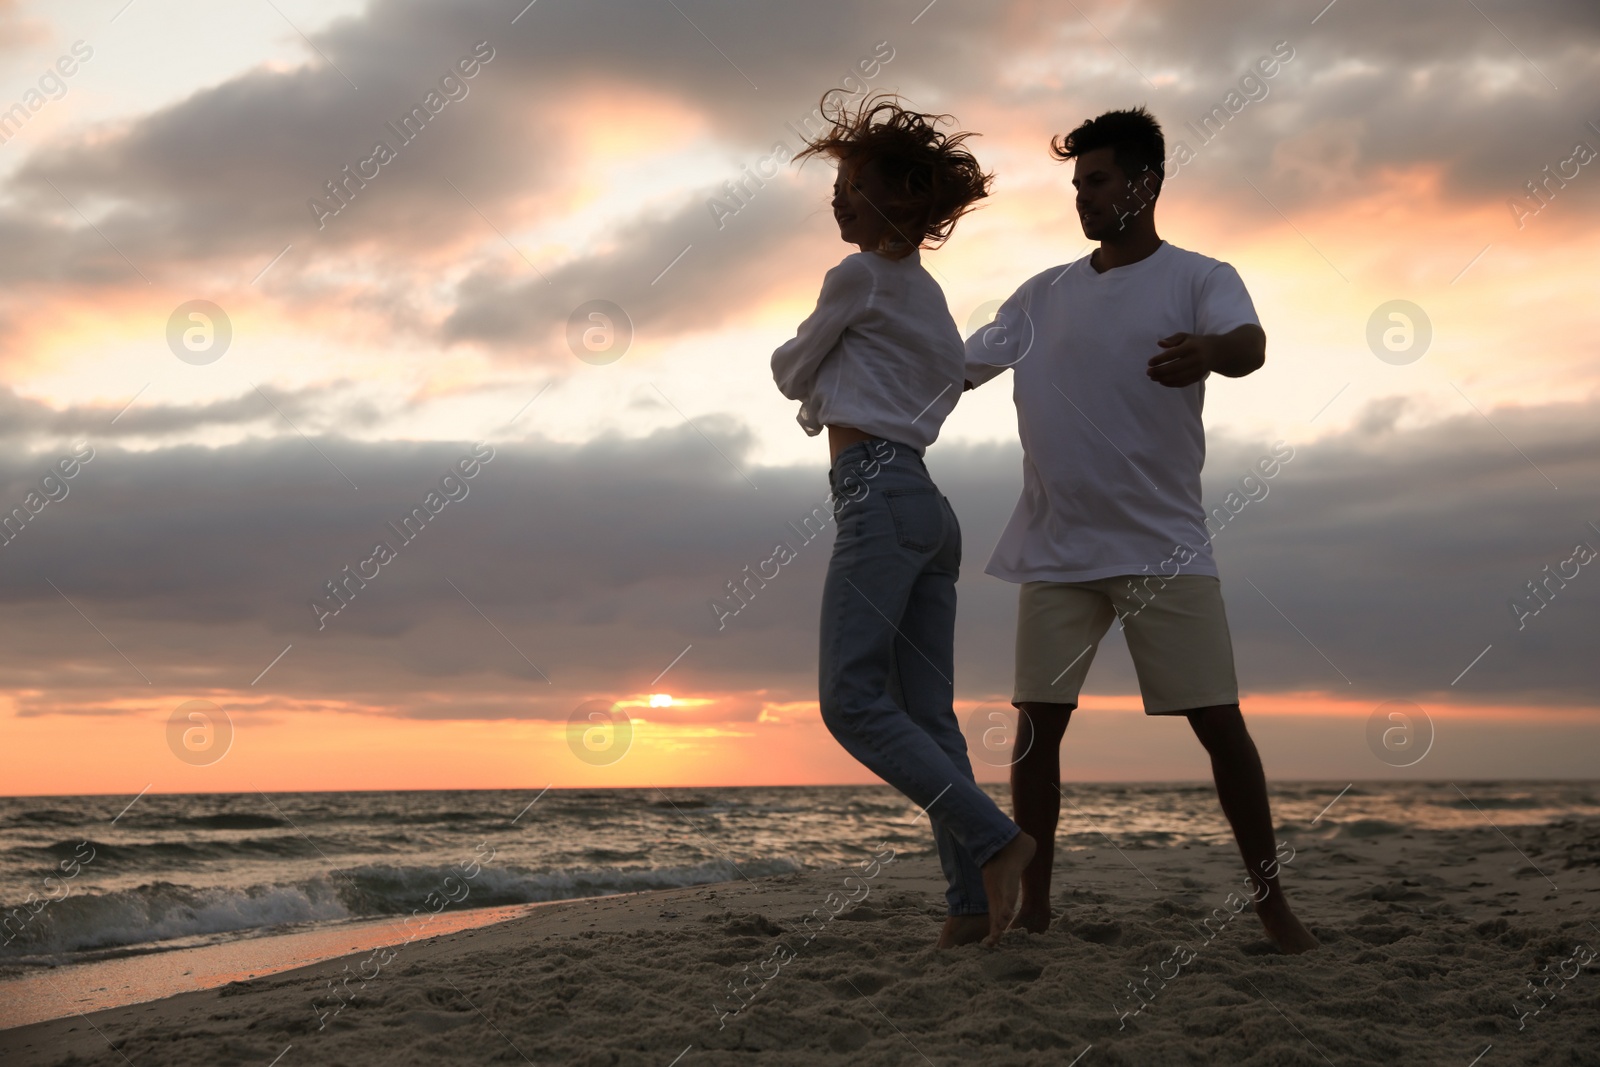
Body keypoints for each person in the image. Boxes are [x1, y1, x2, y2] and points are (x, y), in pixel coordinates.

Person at [963, 106, 1318, 953]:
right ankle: (1037, 910)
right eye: (1077, 184)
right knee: (1036, 729)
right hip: (1056, 545)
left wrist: (1208, 353)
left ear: (1147, 183)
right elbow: (959, 366)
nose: (1083, 197)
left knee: (1220, 726)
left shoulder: (1198, 275)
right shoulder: (1043, 293)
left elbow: (1251, 343)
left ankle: (1274, 909)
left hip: (1165, 545)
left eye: (1099, 180)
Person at [771, 92, 1035, 948]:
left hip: (877, 495)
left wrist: (823, 373)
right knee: (929, 717)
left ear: (902, 200)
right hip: (928, 504)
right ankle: (968, 910)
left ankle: (997, 841)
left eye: (851, 185)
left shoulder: (856, 277)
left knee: (851, 701)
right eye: (838, 187)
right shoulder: (929, 299)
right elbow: (951, 379)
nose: (838, 200)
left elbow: (787, 371)